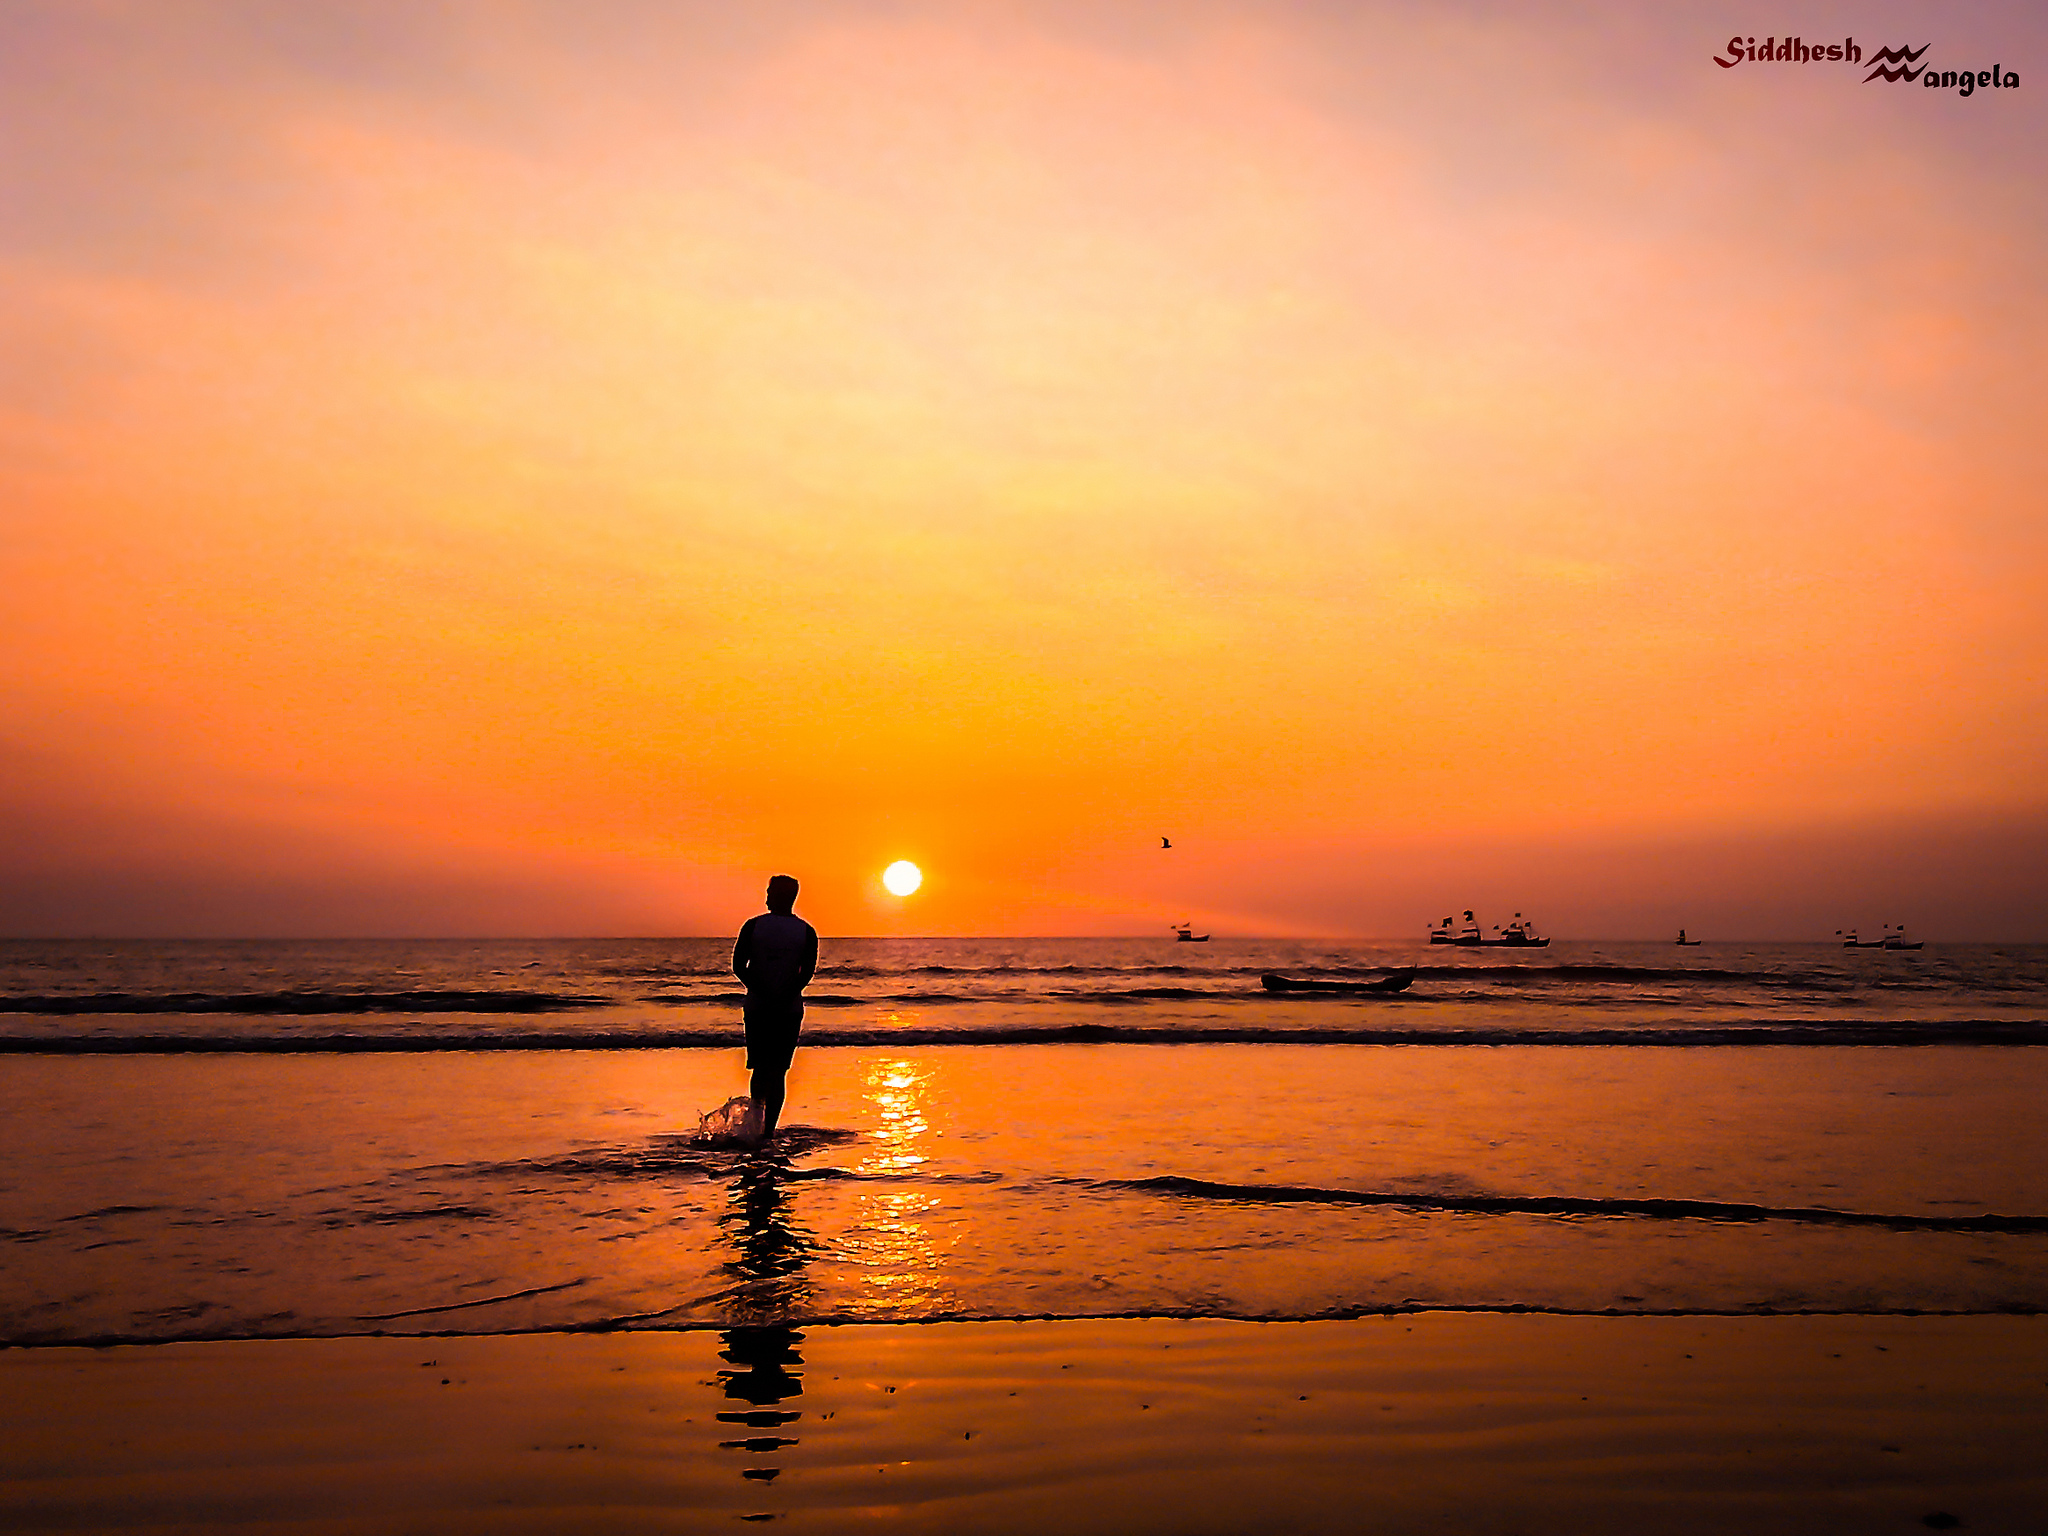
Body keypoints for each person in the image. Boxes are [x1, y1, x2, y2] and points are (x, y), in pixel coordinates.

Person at [732, 874, 817, 1139]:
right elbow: (806, 974)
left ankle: (758, 1130)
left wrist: (759, 988)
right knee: (777, 1071)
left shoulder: (753, 926)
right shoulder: (806, 931)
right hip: (787, 1007)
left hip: (760, 1006)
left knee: (761, 1068)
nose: (766, 896)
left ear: (780, 895)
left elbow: (738, 965)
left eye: (769, 891)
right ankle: (766, 1132)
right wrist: (785, 992)